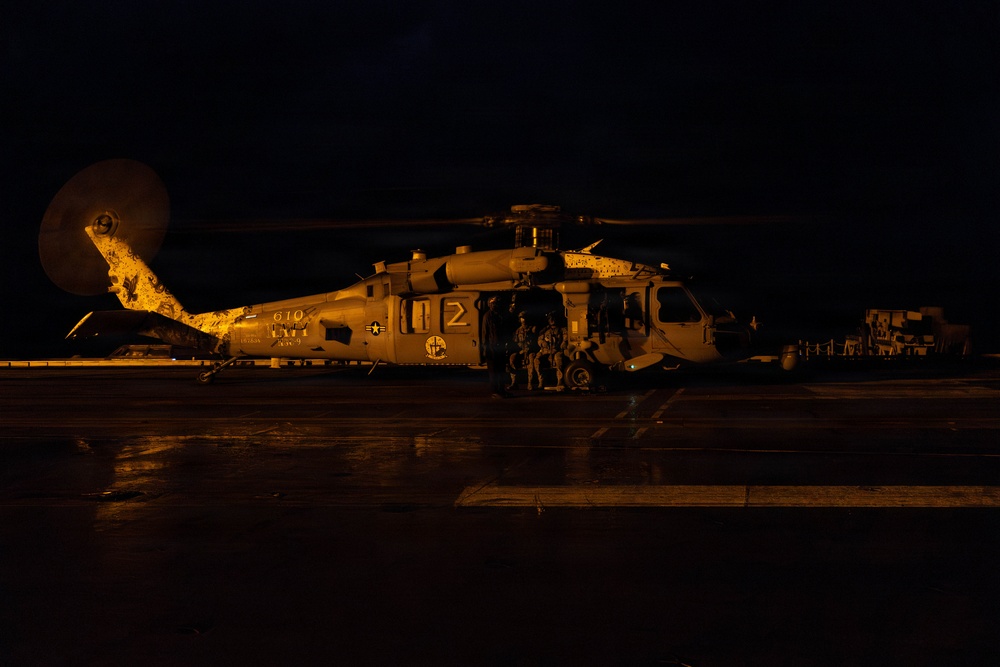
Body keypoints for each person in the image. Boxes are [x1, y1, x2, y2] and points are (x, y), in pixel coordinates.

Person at [482, 295, 511, 398]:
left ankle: (501, 389)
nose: (495, 305)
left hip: (501, 348)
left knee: (501, 371)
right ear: (489, 304)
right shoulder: (487, 316)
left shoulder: (500, 316)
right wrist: (486, 350)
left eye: (496, 303)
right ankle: (495, 391)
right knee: (493, 372)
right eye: (493, 303)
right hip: (492, 348)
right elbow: (485, 334)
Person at [531, 311, 566, 389]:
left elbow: (565, 339)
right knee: (537, 360)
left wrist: (560, 346)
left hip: (557, 350)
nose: (552, 320)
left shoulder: (562, 329)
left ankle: (560, 381)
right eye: (550, 319)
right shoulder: (545, 330)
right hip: (545, 351)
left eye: (553, 318)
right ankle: (541, 381)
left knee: (559, 359)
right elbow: (539, 340)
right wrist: (543, 343)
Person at [508, 311, 538, 390]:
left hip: (531, 350)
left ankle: (530, 383)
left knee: (531, 360)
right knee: (512, 359)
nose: (523, 320)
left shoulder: (532, 329)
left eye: (524, 318)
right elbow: (515, 342)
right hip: (521, 351)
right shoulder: (518, 331)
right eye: (521, 318)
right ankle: (514, 382)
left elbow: (536, 341)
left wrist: (530, 348)